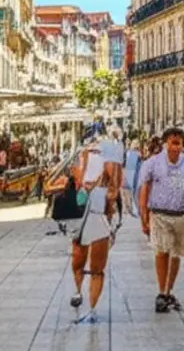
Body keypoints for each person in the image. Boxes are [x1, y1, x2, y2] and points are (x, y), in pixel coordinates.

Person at [138, 127, 184, 314]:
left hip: (180, 214)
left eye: (179, 143)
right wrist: (144, 216)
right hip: (160, 213)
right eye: (173, 142)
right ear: (165, 144)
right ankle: (162, 291)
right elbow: (144, 189)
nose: (176, 147)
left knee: (176, 254)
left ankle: (168, 290)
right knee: (161, 251)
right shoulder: (153, 163)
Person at [69, 139, 121, 324]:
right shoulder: (79, 158)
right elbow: (71, 180)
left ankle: (92, 308)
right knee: (78, 259)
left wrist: (104, 197)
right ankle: (78, 290)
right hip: (81, 213)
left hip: (99, 213)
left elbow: (115, 189)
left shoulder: (111, 162)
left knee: (97, 267)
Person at [122, 139, 142, 219]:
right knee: (133, 191)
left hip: (131, 173)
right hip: (134, 173)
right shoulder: (137, 154)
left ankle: (129, 208)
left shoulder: (129, 153)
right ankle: (132, 209)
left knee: (128, 191)